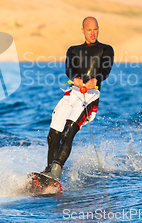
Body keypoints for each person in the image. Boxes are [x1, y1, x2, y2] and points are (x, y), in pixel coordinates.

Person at [42, 16, 114, 181]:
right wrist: (76, 79)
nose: (93, 33)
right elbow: (69, 68)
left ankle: (56, 172)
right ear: (83, 31)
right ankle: (48, 171)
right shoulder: (73, 50)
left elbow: (106, 68)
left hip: (91, 94)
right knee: (54, 134)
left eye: (95, 29)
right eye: (89, 30)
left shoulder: (106, 49)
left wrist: (96, 79)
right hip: (73, 92)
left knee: (69, 130)